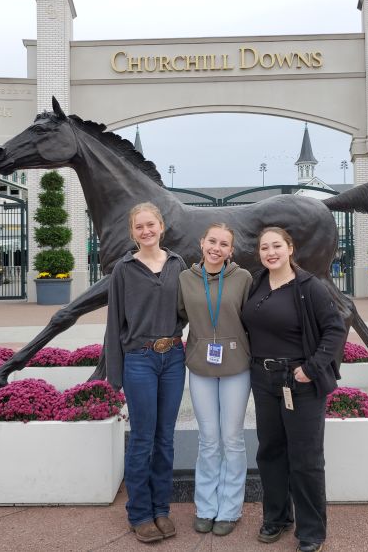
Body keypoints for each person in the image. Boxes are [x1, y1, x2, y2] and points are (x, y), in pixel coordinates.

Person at [241, 227, 346, 552]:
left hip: (299, 382)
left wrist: (311, 368)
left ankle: (311, 530)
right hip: (263, 378)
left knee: (306, 458)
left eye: (276, 246)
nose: (270, 252)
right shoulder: (257, 282)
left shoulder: (308, 287)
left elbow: (335, 327)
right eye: (264, 248)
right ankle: (277, 517)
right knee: (270, 451)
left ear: (290, 249)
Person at [104, 202, 187, 544]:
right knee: (142, 439)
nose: (146, 231)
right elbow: (114, 322)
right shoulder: (123, 269)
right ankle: (139, 514)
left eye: (151, 224)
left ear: (161, 227)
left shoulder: (177, 264)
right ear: (133, 231)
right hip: (139, 358)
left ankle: (161, 509)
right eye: (139, 227)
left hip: (173, 359)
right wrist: (115, 373)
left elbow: (188, 307)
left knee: (165, 438)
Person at [177, 223, 252, 537]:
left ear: (231, 250)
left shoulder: (243, 278)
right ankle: (206, 507)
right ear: (202, 243)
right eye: (212, 241)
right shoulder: (185, 278)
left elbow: (253, 318)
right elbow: (177, 315)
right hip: (200, 367)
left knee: (232, 438)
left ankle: (230, 508)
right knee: (208, 439)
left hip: (237, 366)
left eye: (224, 244)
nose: (216, 248)